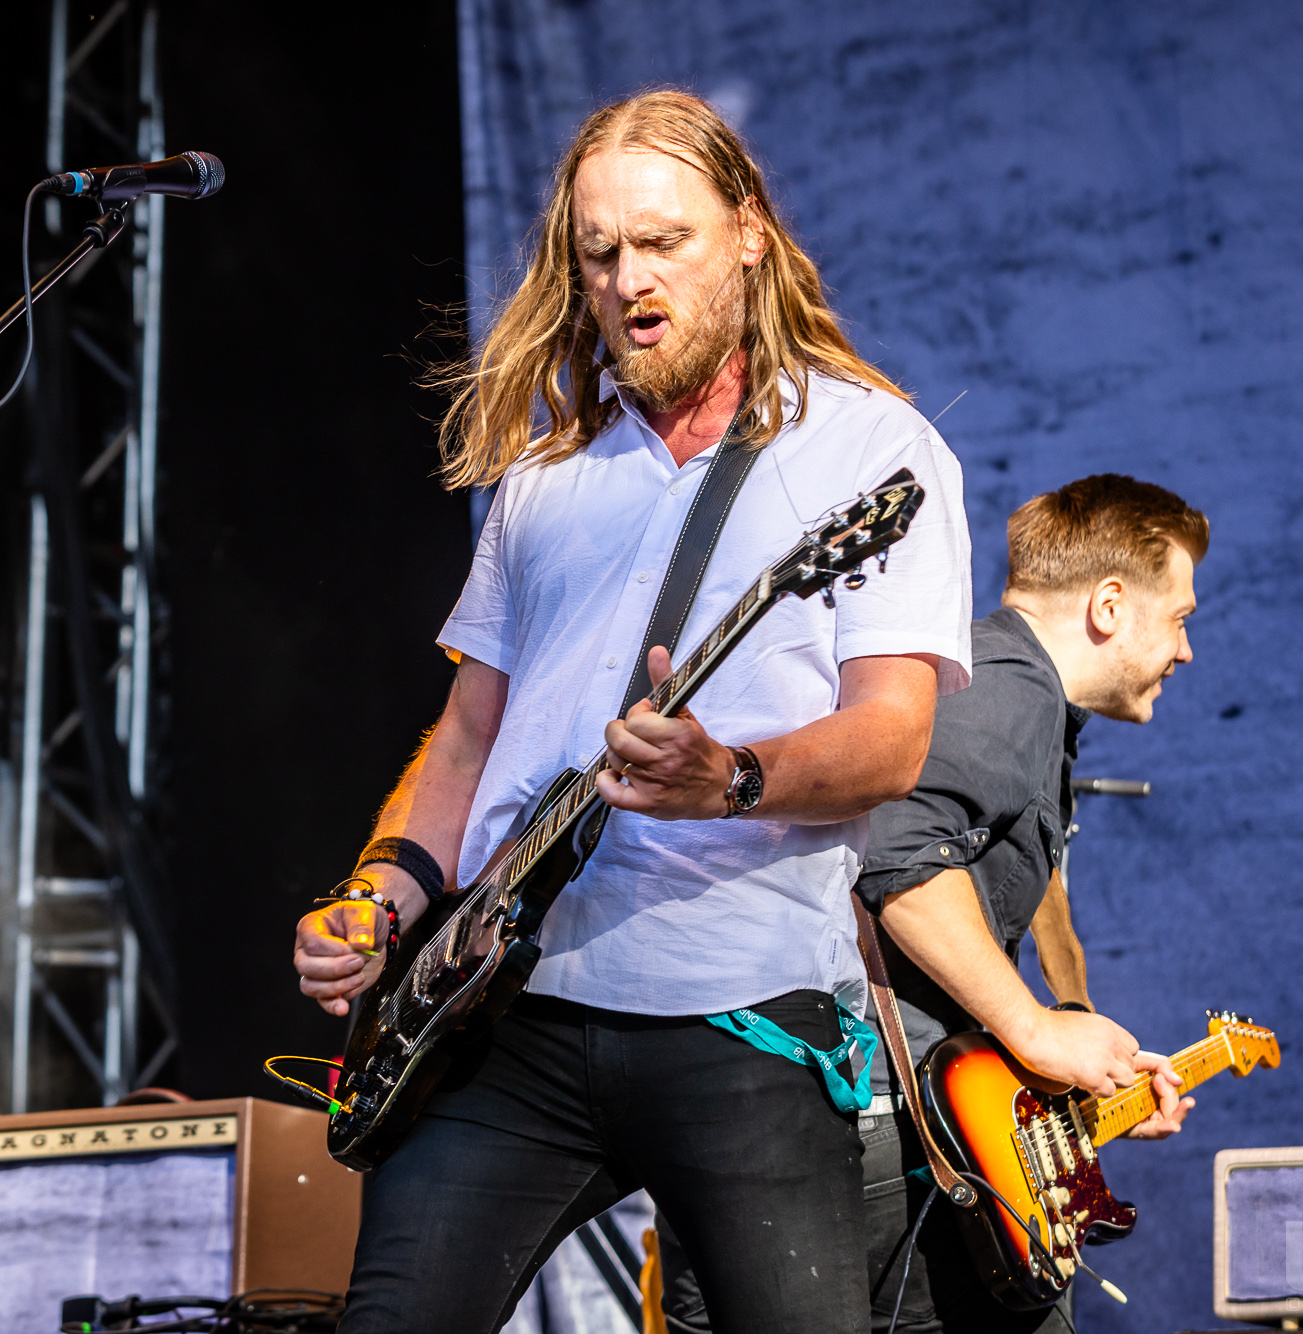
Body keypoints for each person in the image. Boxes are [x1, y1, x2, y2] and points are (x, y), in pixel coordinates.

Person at [289, 89, 973, 1334]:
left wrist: (734, 776)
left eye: (663, 242)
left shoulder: (873, 448)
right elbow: (466, 734)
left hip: (746, 1007)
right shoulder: (544, 477)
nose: (629, 277)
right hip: (515, 1006)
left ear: (748, 233)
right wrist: (378, 893)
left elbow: (893, 734)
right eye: (600, 253)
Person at [658, 474, 1210, 1334]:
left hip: (840, 1126)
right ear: (1108, 605)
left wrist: (1064, 1066)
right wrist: (1032, 1028)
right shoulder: (1006, 688)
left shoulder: (1000, 689)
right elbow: (901, 852)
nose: (1184, 651)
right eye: (1178, 617)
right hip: (867, 1138)